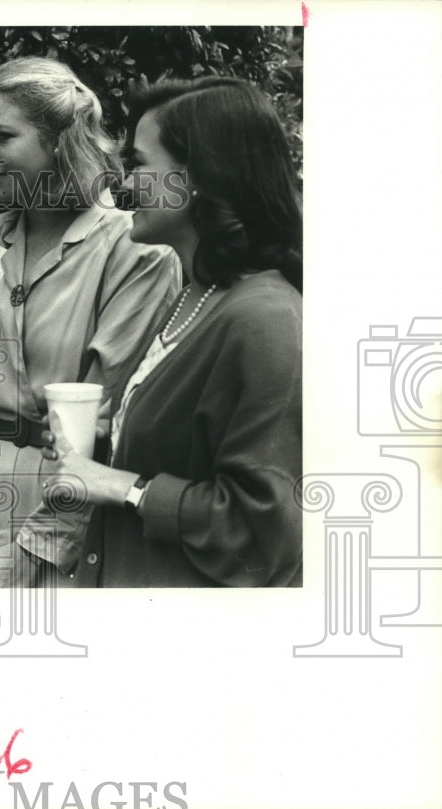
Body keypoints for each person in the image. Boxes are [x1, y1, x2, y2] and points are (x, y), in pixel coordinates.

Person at [0, 57, 182, 588]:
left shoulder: (135, 251)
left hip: (75, 525)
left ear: (60, 141)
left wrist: (34, 552)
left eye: (3, 136)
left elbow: (99, 420)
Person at [40, 76, 303, 587]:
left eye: (139, 164)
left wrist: (122, 486)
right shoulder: (195, 294)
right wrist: (110, 435)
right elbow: (192, 449)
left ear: (198, 177)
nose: (121, 183)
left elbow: (264, 533)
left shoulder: (266, 321)